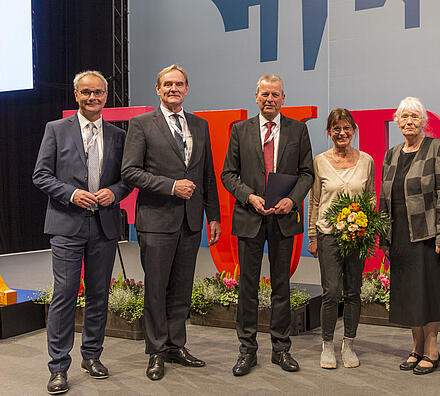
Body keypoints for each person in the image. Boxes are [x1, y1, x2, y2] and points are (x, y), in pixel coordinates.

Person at [33, 70, 133, 394]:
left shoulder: (118, 135)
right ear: (77, 95)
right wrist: (71, 193)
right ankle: (58, 367)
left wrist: (114, 193)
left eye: (99, 93)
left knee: (99, 295)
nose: (93, 98)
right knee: (64, 295)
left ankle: (92, 356)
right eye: (86, 92)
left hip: (103, 225)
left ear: (106, 96)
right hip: (66, 225)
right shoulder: (56, 130)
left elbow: (127, 178)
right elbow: (41, 175)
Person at [121, 64, 221, 381]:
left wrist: (213, 215)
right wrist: (170, 186)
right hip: (156, 220)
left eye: (179, 84)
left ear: (187, 89)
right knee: (156, 288)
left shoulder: (199, 125)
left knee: (181, 289)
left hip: (190, 222)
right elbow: (130, 171)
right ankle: (156, 352)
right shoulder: (141, 125)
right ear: (158, 89)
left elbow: (207, 175)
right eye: (167, 84)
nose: (173, 89)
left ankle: (176, 346)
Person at [221, 74, 314, 376]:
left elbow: (307, 174)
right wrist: (248, 196)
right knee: (247, 288)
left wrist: (293, 200)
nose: (270, 99)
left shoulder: (298, 130)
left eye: (275, 94)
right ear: (256, 97)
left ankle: (281, 349)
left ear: (283, 98)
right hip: (249, 218)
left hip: (283, 219)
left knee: (281, 287)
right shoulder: (240, 130)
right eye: (265, 94)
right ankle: (247, 350)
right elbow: (228, 174)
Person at [378, 97, 440, 376]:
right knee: (409, 295)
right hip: (400, 234)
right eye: (403, 117)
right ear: (397, 122)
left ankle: (432, 349)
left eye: (414, 117)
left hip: (427, 234)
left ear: (423, 121)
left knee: (429, 293)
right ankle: (416, 347)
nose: (409, 122)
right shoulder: (391, 154)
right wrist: (383, 236)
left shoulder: (437, 148)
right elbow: (384, 199)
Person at [307, 109, 375, 369]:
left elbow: (370, 196)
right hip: (328, 235)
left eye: (346, 128)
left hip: (357, 237)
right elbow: (314, 200)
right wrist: (312, 236)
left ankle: (349, 344)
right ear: (329, 132)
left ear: (353, 130)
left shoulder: (366, 160)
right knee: (331, 292)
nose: (342, 133)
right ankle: (327, 345)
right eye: (336, 129)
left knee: (353, 292)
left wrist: (367, 229)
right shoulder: (319, 161)